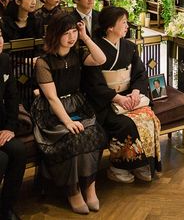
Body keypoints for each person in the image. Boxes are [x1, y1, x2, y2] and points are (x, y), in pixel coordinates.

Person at [31, 13, 107, 214]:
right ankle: (73, 191)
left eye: (74, 31)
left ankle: (90, 188)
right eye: (66, 33)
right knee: (72, 138)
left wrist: (85, 37)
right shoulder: (43, 62)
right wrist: (67, 122)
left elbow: (101, 59)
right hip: (51, 112)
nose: (71, 37)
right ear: (55, 34)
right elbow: (52, 98)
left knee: (91, 133)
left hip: (77, 105)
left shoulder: (78, 53)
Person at [83, 6, 161, 184]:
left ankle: (141, 164)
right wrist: (117, 98)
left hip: (129, 97)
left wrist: (136, 92)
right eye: (123, 22)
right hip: (106, 101)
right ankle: (118, 167)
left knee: (149, 118)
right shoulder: (95, 49)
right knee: (125, 124)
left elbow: (140, 73)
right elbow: (93, 84)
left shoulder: (129, 47)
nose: (127, 26)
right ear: (110, 27)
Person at [0, 26, 26, 220]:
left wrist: (9, 127)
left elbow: (12, 96)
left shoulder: (4, 60)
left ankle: (6, 207)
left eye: (0, 35)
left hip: (1, 126)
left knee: (18, 150)